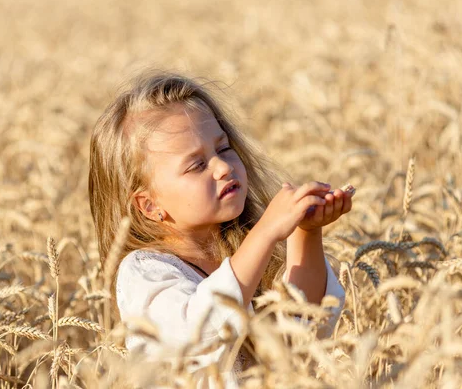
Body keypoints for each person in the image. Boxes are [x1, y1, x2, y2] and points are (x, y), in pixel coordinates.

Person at [88, 70, 352, 387]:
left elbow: (302, 332)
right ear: (149, 205)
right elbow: (198, 333)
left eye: (223, 149)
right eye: (197, 164)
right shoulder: (143, 273)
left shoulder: (244, 250)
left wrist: (306, 233)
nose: (223, 167)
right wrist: (265, 233)